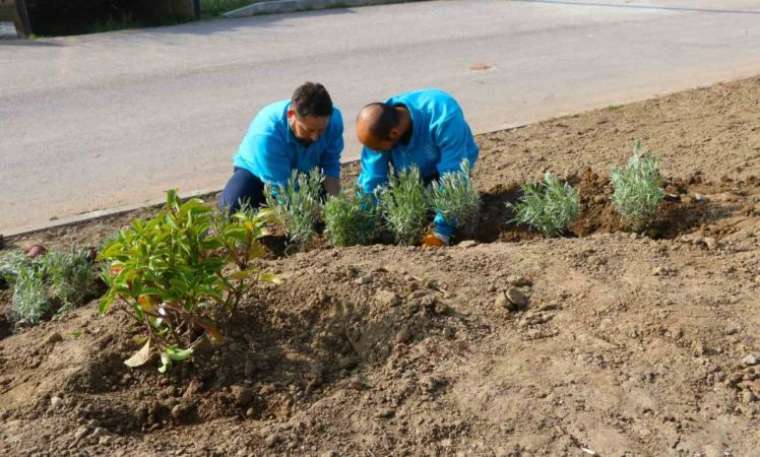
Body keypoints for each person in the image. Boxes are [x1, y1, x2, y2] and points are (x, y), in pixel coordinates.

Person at [356, 88, 479, 246]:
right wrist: (364, 223)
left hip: (449, 162)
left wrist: (441, 231)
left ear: (394, 133)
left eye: (377, 148)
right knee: (404, 206)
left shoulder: (442, 114)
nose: (375, 151)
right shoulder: (376, 127)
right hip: (410, 170)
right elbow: (372, 178)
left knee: (452, 203)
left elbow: (453, 175)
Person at [219, 82, 344, 212]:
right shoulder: (267, 133)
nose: (315, 137)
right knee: (230, 209)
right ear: (291, 115)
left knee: (329, 211)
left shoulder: (334, 121)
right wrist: (306, 215)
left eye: (321, 130)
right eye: (309, 130)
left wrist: (336, 204)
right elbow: (282, 189)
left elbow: (330, 166)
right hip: (257, 173)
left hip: (304, 174)